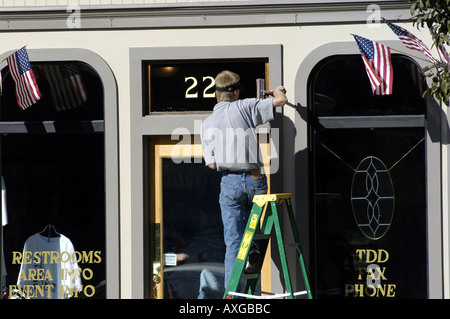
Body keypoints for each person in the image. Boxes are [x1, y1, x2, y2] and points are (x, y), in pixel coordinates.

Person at [200, 70, 287, 288]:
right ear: (236, 92)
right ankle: (254, 267)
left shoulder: (207, 123)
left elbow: (211, 164)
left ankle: (233, 294)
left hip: (229, 182)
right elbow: (281, 100)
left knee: (233, 243)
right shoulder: (246, 106)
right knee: (255, 237)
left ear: (216, 94)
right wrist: (276, 91)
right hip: (255, 178)